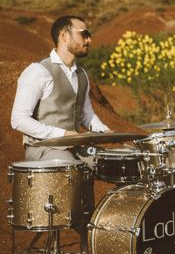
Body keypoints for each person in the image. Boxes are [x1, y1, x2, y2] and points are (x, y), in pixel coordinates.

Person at [11, 15, 110, 161]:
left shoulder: (81, 74)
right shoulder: (38, 71)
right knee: (70, 165)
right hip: (43, 148)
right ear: (64, 36)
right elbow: (18, 119)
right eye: (84, 34)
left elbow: (85, 114)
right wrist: (62, 134)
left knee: (106, 160)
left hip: (73, 146)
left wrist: (104, 130)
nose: (89, 40)